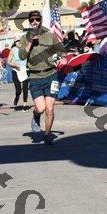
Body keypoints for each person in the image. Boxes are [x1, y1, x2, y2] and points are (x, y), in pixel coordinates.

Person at [19, 10, 67, 144]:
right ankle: (36, 115)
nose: (35, 22)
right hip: (35, 76)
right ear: (29, 21)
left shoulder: (50, 36)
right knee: (40, 108)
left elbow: (61, 51)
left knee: (50, 109)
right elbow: (22, 56)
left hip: (51, 75)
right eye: (32, 20)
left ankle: (47, 134)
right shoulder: (24, 37)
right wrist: (30, 42)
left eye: (37, 19)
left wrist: (63, 58)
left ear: (41, 20)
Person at [7, 39, 29, 110]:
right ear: (15, 43)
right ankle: (17, 97)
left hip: (24, 70)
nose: (18, 42)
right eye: (17, 41)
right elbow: (8, 62)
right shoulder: (13, 50)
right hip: (16, 70)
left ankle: (24, 105)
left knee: (25, 88)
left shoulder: (25, 48)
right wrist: (15, 65)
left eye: (19, 40)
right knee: (19, 90)